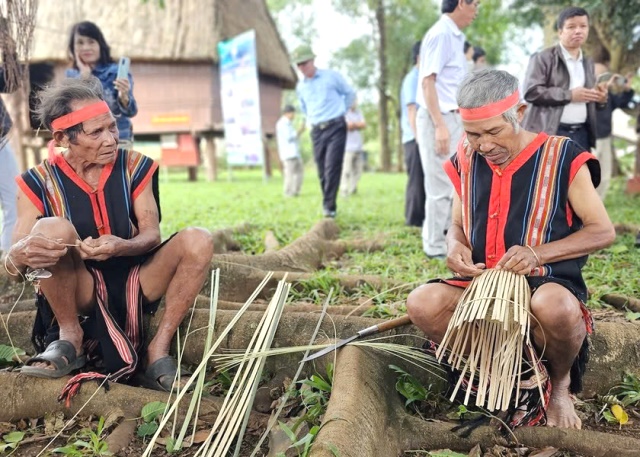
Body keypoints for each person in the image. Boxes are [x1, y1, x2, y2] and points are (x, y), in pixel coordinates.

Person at [406, 69, 616, 429]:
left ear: (518, 114)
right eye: (473, 134)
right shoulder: (467, 158)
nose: (484, 144)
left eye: (493, 132)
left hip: (544, 284)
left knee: (553, 306)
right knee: (421, 302)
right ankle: (506, 372)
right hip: (483, 287)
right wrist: (455, 245)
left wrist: (538, 253)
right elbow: (457, 224)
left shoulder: (562, 156)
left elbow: (603, 231)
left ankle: (560, 385)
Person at [7, 77, 214, 399]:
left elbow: (150, 234)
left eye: (112, 128)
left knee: (198, 239)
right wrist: (23, 253)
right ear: (63, 138)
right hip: (80, 288)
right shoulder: (36, 183)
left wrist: (122, 245)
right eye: (96, 132)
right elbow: (14, 257)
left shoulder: (134, 166)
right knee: (51, 228)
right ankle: (68, 337)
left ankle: (157, 351)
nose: (111, 139)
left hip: (137, 281)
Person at [416, 0, 479, 258]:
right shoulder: (440, 34)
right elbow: (428, 82)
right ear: (462, 3)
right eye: (475, 4)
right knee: (439, 184)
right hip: (437, 118)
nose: (476, 10)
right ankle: (433, 247)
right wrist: (440, 125)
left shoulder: (455, 36)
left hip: (453, 118)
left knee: (455, 181)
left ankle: (444, 238)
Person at [522, 7, 607, 151]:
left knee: (580, 174)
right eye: (571, 27)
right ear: (560, 32)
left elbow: (588, 99)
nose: (578, 31)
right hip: (552, 133)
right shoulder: (543, 58)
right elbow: (531, 91)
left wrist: (600, 99)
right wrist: (569, 95)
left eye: (583, 26)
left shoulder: (587, 63)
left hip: (583, 134)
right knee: (551, 174)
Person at [292, 45, 356, 218]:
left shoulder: (331, 77)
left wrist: (343, 111)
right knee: (321, 169)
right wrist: (311, 121)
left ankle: (329, 207)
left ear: (312, 60)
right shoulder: (301, 87)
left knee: (331, 166)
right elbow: (304, 108)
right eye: (298, 65)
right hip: (317, 130)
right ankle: (328, 202)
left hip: (336, 126)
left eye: (304, 63)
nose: (302, 68)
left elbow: (349, 93)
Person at [66, 21, 137, 146]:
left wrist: (124, 96)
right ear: (73, 47)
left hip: (117, 140)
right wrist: (84, 77)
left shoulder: (114, 72)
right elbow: (73, 113)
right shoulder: (71, 76)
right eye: (80, 43)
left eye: (91, 42)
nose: (86, 47)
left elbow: (131, 112)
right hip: (86, 143)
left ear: (100, 45)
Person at [593, 60, 634, 199]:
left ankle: (597, 208)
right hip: (590, 140)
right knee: (589, 177)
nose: (606, 78)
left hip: (605, 138)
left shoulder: (608, 95)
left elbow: (622, 101)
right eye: (602, 75)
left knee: (605, 176)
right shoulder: (586, 93)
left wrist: (627, 89)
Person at [401, 41, 426, 227]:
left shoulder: (424, 78)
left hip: (421, 136)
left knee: (423, 179)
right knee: (416, 179)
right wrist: (419, 138)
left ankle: (422, 218)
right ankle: (413, 221)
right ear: (419, 57)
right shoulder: (412, 78)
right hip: (414, 138)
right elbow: (411, 110)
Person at [0, 26, 19, 257]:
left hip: (1, 143)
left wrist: (8, 45)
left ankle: (7, 259)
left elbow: (10, 81)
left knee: (14, 198)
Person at [276, 104, 305, 197]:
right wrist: (299, 130)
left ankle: (296, 191)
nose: (294, 115)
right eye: (292, 113)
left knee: (299, 172)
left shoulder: (289, 124)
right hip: (288, 153)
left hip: (295, 152)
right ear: (287, 113)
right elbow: (289, 137)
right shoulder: (282, 124)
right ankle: (288, 192)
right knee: (289, 174)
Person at [341, 98, 366, 197]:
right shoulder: (344, 113)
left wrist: (354, 124)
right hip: (347, 147)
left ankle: (353, 189)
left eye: (355, 101)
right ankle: (344, 189)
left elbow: (364, 125)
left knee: (358, 170)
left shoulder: (359, 112)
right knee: (346, 170)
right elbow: (347, 126)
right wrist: (357, 125)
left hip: (358, 146)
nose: (354, 103)